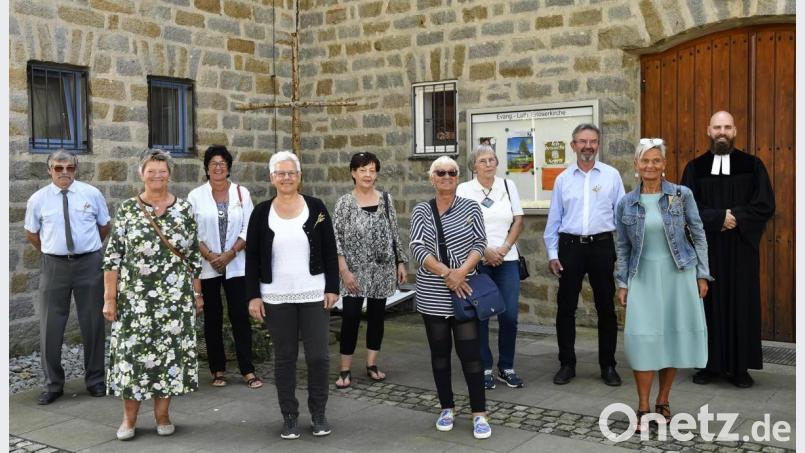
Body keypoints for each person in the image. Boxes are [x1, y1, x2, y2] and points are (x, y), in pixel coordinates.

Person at [102, 149, 203, 441]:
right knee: (132, 358)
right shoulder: (127, 209)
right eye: (151, 170)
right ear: (141, 173)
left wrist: (197, 294)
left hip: (174, 299)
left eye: (162, 170)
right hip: (134, 300)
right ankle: (128, 419)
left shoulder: (184, 209)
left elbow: (193, 256)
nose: (157, 176)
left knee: (169, 358)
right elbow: (113, 258)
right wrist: (110, 298)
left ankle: (162, 415)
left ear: (170, 174)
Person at [614, 138, 712, 432]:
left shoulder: (682, 196)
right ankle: (643, 406)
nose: (650, 166)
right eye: (645, 160)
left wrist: (702, 274)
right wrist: (622, 282)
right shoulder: (625, 202)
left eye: (656, 160)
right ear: (636, 165)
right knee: (642, 339)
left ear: (665, 164)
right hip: (642, 275)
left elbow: (698, 233)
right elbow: (621, 246)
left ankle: (663, 401)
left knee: (671, 336)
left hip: (679, 273)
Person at [245, 150, 339, 440]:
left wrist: (332, 287)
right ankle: (289, 416)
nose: (287, 178)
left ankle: (319, 413)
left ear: (299, 177)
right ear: (272, 178)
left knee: (319, 357)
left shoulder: (317, 207)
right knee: (284, 358)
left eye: (292, 173)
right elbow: (253, 258)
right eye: (281, 173)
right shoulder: (261, 212)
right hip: (276, 295)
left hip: (313, 293)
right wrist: (254, 296)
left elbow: (329, 250)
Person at [680, 111, 775, 388]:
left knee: (741, 303)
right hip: (707, 248)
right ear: (708, 131)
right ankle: (708, 366)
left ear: (735, 131)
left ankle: (739, 368)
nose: (722, 132)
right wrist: (717, 218)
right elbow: (686, 206)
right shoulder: (695, 168)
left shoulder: (752, 165)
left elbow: (765, 204)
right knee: (706, 305)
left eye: (727, 127)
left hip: (742, 249)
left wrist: (736, 218)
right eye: (717, 127)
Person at [409, 156, 492, 440]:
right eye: (441, 172)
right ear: (432, 178)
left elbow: (480, 243)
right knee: (440, 356)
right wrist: (447, 274)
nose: (447, 176)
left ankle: (479, 412)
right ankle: (447, 407)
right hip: (433, 294)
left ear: (458, 177)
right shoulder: (421, 210)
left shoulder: (471, 207)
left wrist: (462, 272)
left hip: (464, 292)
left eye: (452, 172)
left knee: (471, 355)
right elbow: (417, 248)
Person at [24, 150, 111, 405]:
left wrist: (86, 248)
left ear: (76, 169)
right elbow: (32, 233)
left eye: (69, 168)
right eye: (58, 168)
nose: (64, 173)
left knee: (93, 323)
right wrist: (53, 250)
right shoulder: (38, 199)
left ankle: (95, 380)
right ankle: (53, 384)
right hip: (54, 266)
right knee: (50, 326)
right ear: (49, 170)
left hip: (89, 264)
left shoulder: (91, 194)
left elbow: (104, 226)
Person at [543, 123, 625, 386]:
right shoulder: (562, 179)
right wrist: (553, 253)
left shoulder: (612, 176)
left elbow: (621, 218)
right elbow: (554, 220)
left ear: (598, 145)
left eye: (592, 141)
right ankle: (567, 363)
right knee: (565, 308)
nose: (588, 146)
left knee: (606, 309)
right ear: (573, 145)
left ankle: (608, 366)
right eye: (582, 141)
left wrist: (622, 253)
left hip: (602, 246)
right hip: (570, 248)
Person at [332, 152, 408, 389]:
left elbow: (395, 232)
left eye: (372, 170)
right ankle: (345, 369)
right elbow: (337, 239)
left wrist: (400, 262)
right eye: (363, 170)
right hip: (353, 271)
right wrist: (343, 271)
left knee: (377, 317)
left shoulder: (386, 199)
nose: (368, 174)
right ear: (353, 173)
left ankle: (372, 364)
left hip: (383, 268)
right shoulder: (344, 202)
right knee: (351, 318)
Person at [188, 145, 261, 389]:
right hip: (208, 266)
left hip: (236, 264)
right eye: (213, 163)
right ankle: (217, 369)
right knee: (212, 318)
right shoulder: (196, 196)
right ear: (206, 168)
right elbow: (191, 231)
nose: (218, 167)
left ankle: (247, 369)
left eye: (222, 163)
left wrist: (229, 254)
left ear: (228, 167)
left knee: (240, 316)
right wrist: (210, 256)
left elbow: (249, 228)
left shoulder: (242, 193)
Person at [457, 145, 525, 390]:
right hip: (477, 260)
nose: (488, 164)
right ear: (473, 166)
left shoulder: (508, 186)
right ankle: (484, 366)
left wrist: (504, 248)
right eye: (482, 160)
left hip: (507, 260)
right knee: (481, 315)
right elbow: (462, 225)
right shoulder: (464, 189)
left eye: (492, 159)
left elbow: (518, 220)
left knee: (509, 316)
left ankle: (506, 366)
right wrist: (484, 250)